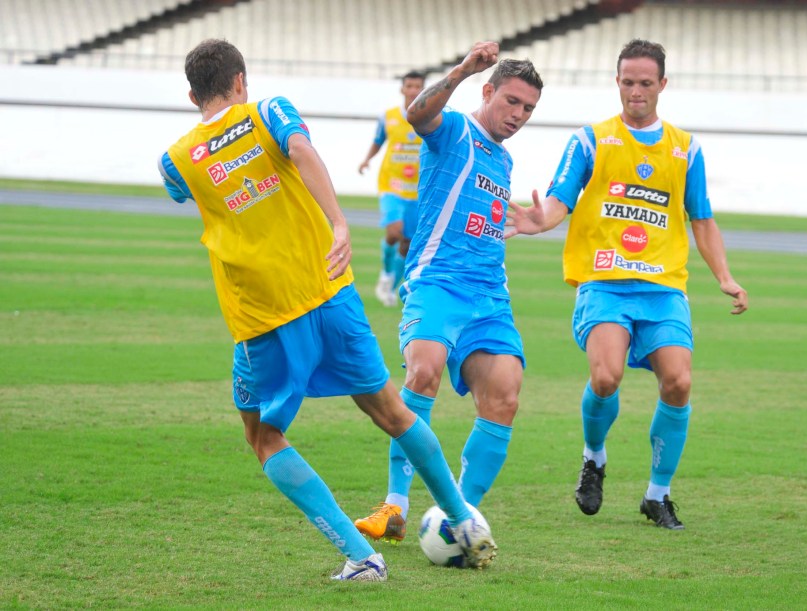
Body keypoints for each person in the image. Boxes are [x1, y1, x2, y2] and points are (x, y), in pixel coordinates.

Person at [156, 39, 497, 580]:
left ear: (192, 95)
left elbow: (186, 191)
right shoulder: (270, 111)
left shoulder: (174, 160)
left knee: (263, 437)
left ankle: (362, 557)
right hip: (332, 290)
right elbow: (301, 151)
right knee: (392, 411)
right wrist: (339, 223)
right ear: (241, 81)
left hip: (263, 315)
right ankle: (464, 521)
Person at [506, 39, 748, 530]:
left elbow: (701, 218)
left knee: (679, 381)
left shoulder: (685, 148)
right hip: (604, 282)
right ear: (617, 82)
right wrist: (541, 220)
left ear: (662, 84)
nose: (636, 91)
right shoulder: (590, 140)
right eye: (628, 82)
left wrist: (724, 276)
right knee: (605, 377)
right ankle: (593, 457)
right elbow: (559, 197)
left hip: (663, 288)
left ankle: (657, 494)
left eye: (645, 82)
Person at [354, 42, 543, 542]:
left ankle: (459, 518)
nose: (518, 115)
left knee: (504, 398)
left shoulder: (504, 161)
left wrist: (528, 224)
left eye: (528, 108)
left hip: (490, 298)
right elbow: (418, 114)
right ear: (488, 91)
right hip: (438, 282)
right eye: (512, 101)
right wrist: (460, 70)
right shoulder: (455, 128)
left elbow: (483, 222)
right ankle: (393, 506)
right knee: (423, 371)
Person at [358, 71, 426, 307]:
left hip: (417, 190)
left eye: (418, 86)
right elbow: (378, 141)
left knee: (408, 243)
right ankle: (387, 273)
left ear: (423, 89)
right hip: (392, 185)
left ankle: (389, 285)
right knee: (394, 232)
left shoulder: (431, 117)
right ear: (402, 89)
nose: (413, 90)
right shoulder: (388, 117)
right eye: (410, 86)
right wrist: (366, 160)